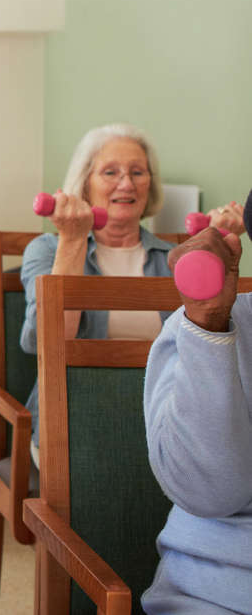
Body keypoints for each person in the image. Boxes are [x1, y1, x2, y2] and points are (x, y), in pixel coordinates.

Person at [19, 123, 245, 460]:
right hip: (76, 417)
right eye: (110, 172)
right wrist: (73, 240)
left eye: (138, 172)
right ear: (85, 182)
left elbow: (212, 342)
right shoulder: (47, 250)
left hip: (169, 416)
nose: (126, 184)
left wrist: (218, 249)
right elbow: (44, 341)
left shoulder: (176, 257)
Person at [142, 209, 252, 614]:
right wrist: (208, 324)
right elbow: (209, 492)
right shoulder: (219, 321)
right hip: (223, 593)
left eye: (137, 173)